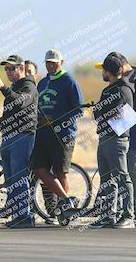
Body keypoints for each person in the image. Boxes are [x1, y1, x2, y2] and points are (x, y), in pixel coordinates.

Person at [31, 50, 84, 216]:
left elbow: (79, 110)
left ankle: (63, 211)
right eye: (48, 62)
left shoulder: (69, 81)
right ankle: (65, 200)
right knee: (38, 168)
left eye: (54, 62)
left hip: (63, 135)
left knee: (61, 172)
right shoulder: (43, 82)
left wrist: (55, 119)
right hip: (43, 134)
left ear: (62, 62)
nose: (51, 65)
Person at [105, 52, 136, 225]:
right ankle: (124, 211)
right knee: (122, 175)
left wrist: (117, 125)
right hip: (122, 138)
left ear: (123, 65)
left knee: (135, 173)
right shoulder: (120, 83)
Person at [0, 55, 38, 228]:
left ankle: (25, 216)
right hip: (9, 136)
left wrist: (2, 87)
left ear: (21, 69)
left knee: (19, 177)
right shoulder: (16, 87)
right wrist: (0, 120)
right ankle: (18, 215)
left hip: (22, 136)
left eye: (11, 69)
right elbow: (14, 111)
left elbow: (19, 102)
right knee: (11, 178)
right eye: (6, 69)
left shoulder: (29, 86)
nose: (8, 72)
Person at [90, 55, 135, 229]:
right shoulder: (108, 90)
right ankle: (109, 215)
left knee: (122, 177)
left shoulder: (123, 89)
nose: (102, 73)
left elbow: (110, 114)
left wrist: (101, 112)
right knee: (107, 179)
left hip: (117, 139)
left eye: (103, 70)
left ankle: (128, 215)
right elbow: (100, 114)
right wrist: (100, 112)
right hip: (104, 137)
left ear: (109, 72)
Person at [24, 59, 57, 225]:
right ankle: (28, 209)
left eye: (30, 71)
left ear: (35, 73)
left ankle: (52, 211)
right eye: (25, 70)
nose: (27, 74)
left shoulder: (42, 86)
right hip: (29, 136)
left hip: (45, 137)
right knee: (29, 174)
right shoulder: (24, 90)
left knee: (45, 173)